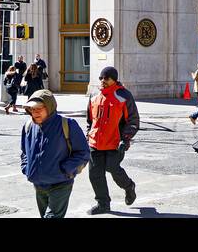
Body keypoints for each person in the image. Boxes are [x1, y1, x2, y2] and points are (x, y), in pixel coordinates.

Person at [20, 89, 90, 219]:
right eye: (31, 109)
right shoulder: (28, 126)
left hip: (60, 184)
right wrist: (27, 168)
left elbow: (83, 153)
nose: (34, 113)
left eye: (38, 109)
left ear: (49, 107)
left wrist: (66, 169)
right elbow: (24, 152)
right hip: (39, 184)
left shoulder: (67, 125)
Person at [86, 65, 139, 215]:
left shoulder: (124, 95)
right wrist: (87, 135)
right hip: (94, 143)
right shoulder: (94, 96)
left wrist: (126, 138)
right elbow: (90, 120)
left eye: (106, 78)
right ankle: (103, 204)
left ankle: (129, 187)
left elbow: (133, 120)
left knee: (112, 169)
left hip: (115, 143)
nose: (103, 80)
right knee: (95, 174)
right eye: (101, 78)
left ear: (114, 80)